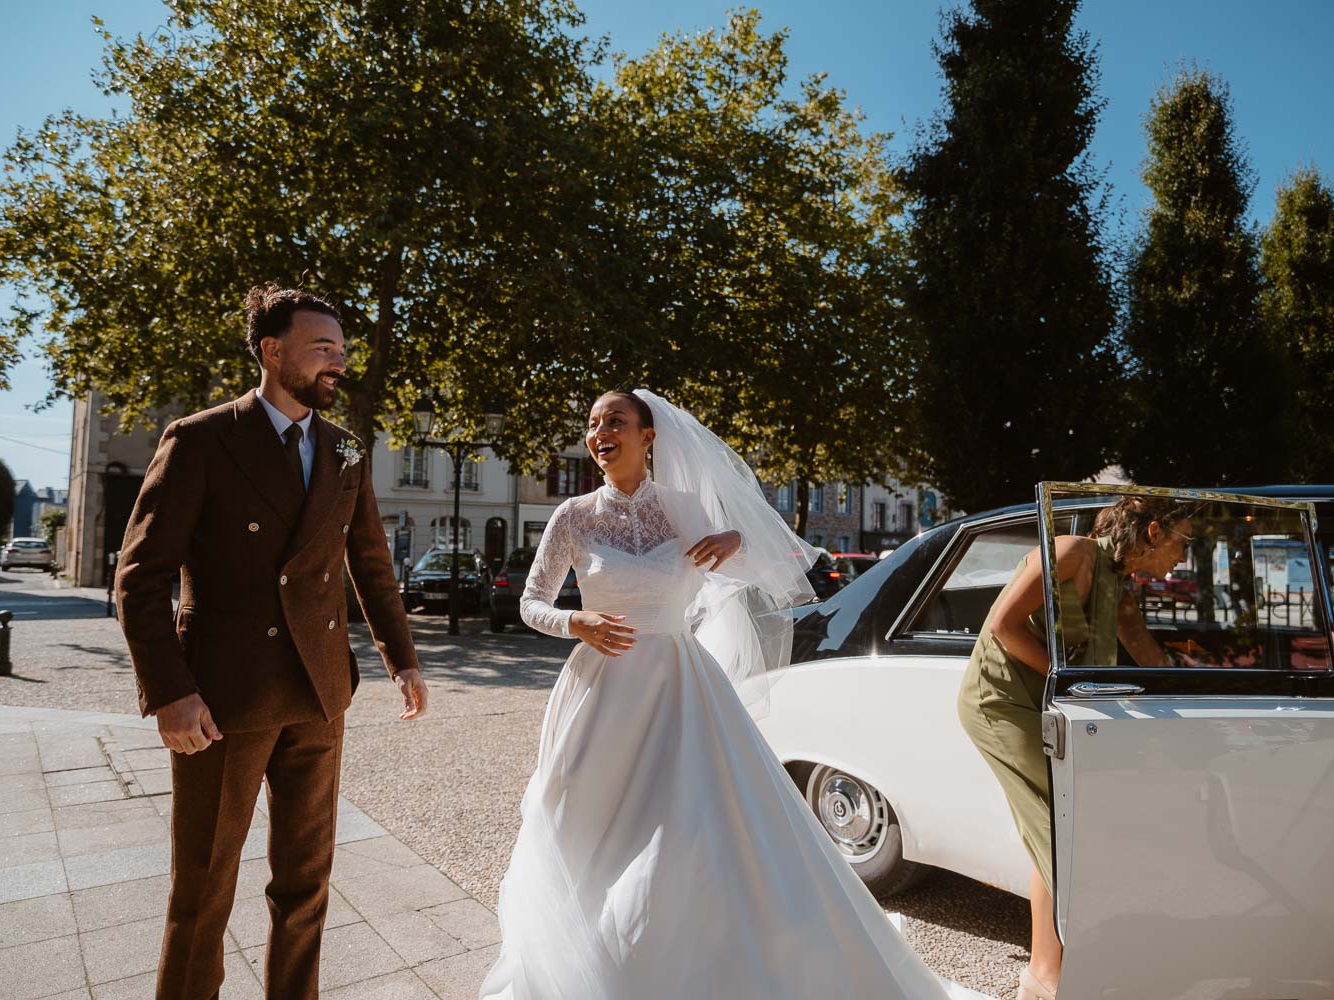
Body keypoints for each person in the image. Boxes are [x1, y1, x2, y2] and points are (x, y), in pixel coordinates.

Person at [478, 389, 974, 999]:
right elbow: (531, 602)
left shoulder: (685, 508)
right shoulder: (573, 516)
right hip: (600, 693)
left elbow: (764, 553)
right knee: (582, 828)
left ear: (648, 435)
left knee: (690, 825)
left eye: (616, 421)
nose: (600, 432)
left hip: (682, 689)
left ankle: (682, 954)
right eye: (592, 424)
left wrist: (733, 539)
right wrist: (573, 623)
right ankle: (589, 958)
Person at [116, 283, 429, 1000]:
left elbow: (371, 562)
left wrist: (402, 657)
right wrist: (170, 691)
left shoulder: (345, 450)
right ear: (271, 351)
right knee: (203, 888)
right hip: (221, 701)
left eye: (342, 351)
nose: (337, 363)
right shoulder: (199, 439)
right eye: (323, 349)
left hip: (319, 694)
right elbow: (140, 576)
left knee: (307, 883)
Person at [957, 495, 1194, 1000]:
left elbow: (1149, 658)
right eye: (1182, 542)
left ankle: (1045, 972)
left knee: (1060, 825)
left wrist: (1209, 687)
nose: (1183, 557)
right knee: (1066, 828)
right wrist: (1069, 682)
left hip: (1045, 708)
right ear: (1153, 532)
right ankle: (1061, 970)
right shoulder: (1070, 551)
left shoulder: (1118, 589)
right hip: (999, 702)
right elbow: (1002, 625)